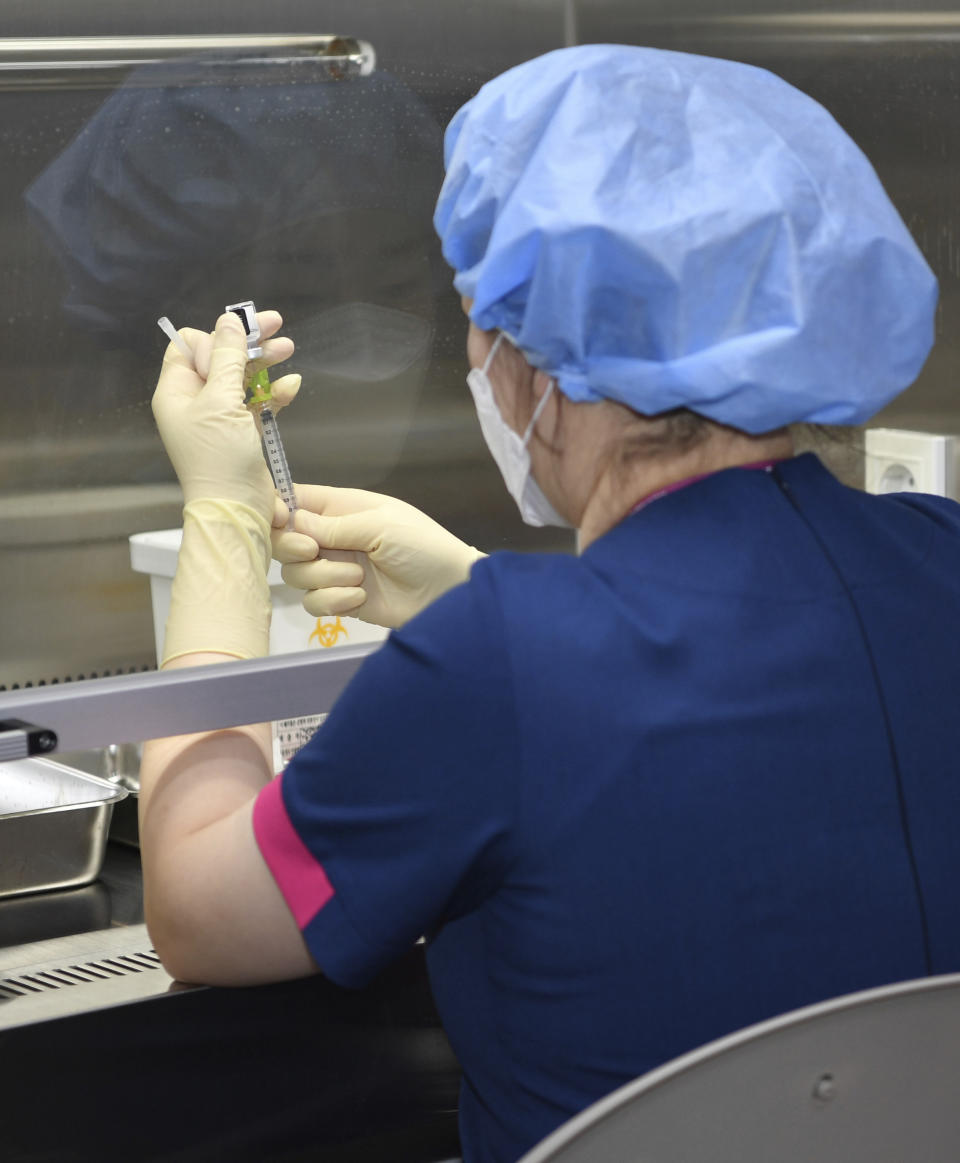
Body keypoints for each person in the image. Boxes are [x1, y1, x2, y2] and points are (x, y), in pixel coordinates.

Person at [142, 45, 960, 1163]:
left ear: (538, 369)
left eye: (484, 316)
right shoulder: (942, 558)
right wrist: (473, 592)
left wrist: (224, 516)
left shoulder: (502, 665)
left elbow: (198, 908)